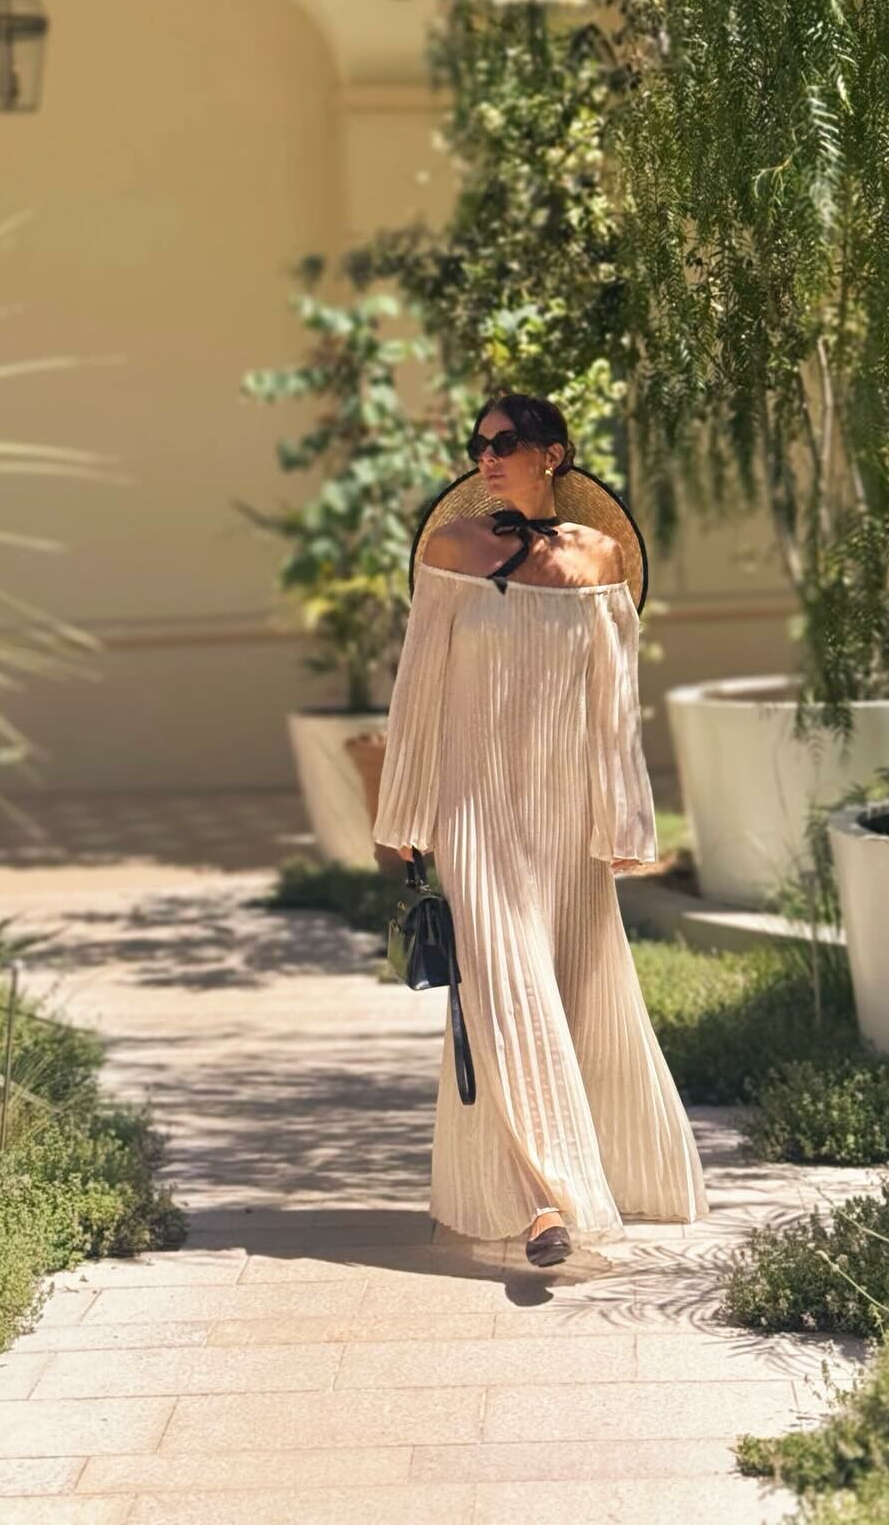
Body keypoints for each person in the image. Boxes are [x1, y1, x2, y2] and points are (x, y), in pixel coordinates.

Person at [372, 392, 710, 1268]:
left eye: (505, 442)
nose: (486, 456)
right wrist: (407, 809)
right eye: (478, 443)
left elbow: (614, 706)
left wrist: (624, 816)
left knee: (575, 989)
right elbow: (419, 689)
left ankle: (613, 1172)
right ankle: (546, 1203)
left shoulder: (600, 559)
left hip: (563, 814)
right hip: (474, 808)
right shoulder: (452, 550)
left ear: (551, 453)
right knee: (506, 994)